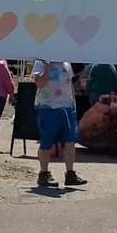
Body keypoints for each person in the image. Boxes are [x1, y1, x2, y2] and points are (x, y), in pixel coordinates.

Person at [32, 58, 85, 188]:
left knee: (70, 141)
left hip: (67, 107)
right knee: (46, 142)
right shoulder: (40, 63)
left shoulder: (67, 62)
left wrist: (73, 103)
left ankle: (70, 174)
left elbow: (69, 84)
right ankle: (43, 174)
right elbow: (39, 83)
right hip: (48, 106)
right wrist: (49, 67)